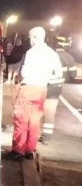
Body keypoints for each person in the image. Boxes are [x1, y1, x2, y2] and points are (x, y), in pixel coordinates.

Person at [10, 26, 62, 160]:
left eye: (31, 37)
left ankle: (18, 151)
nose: (30, 40)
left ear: (35, 37)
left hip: (28, 88)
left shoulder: (32, 53)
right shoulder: (52, 53)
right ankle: (30, 150)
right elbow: (57, 74)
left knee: (21, 120)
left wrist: (20, 78)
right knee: (34, 121)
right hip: (42, 89)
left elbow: (24, 73)